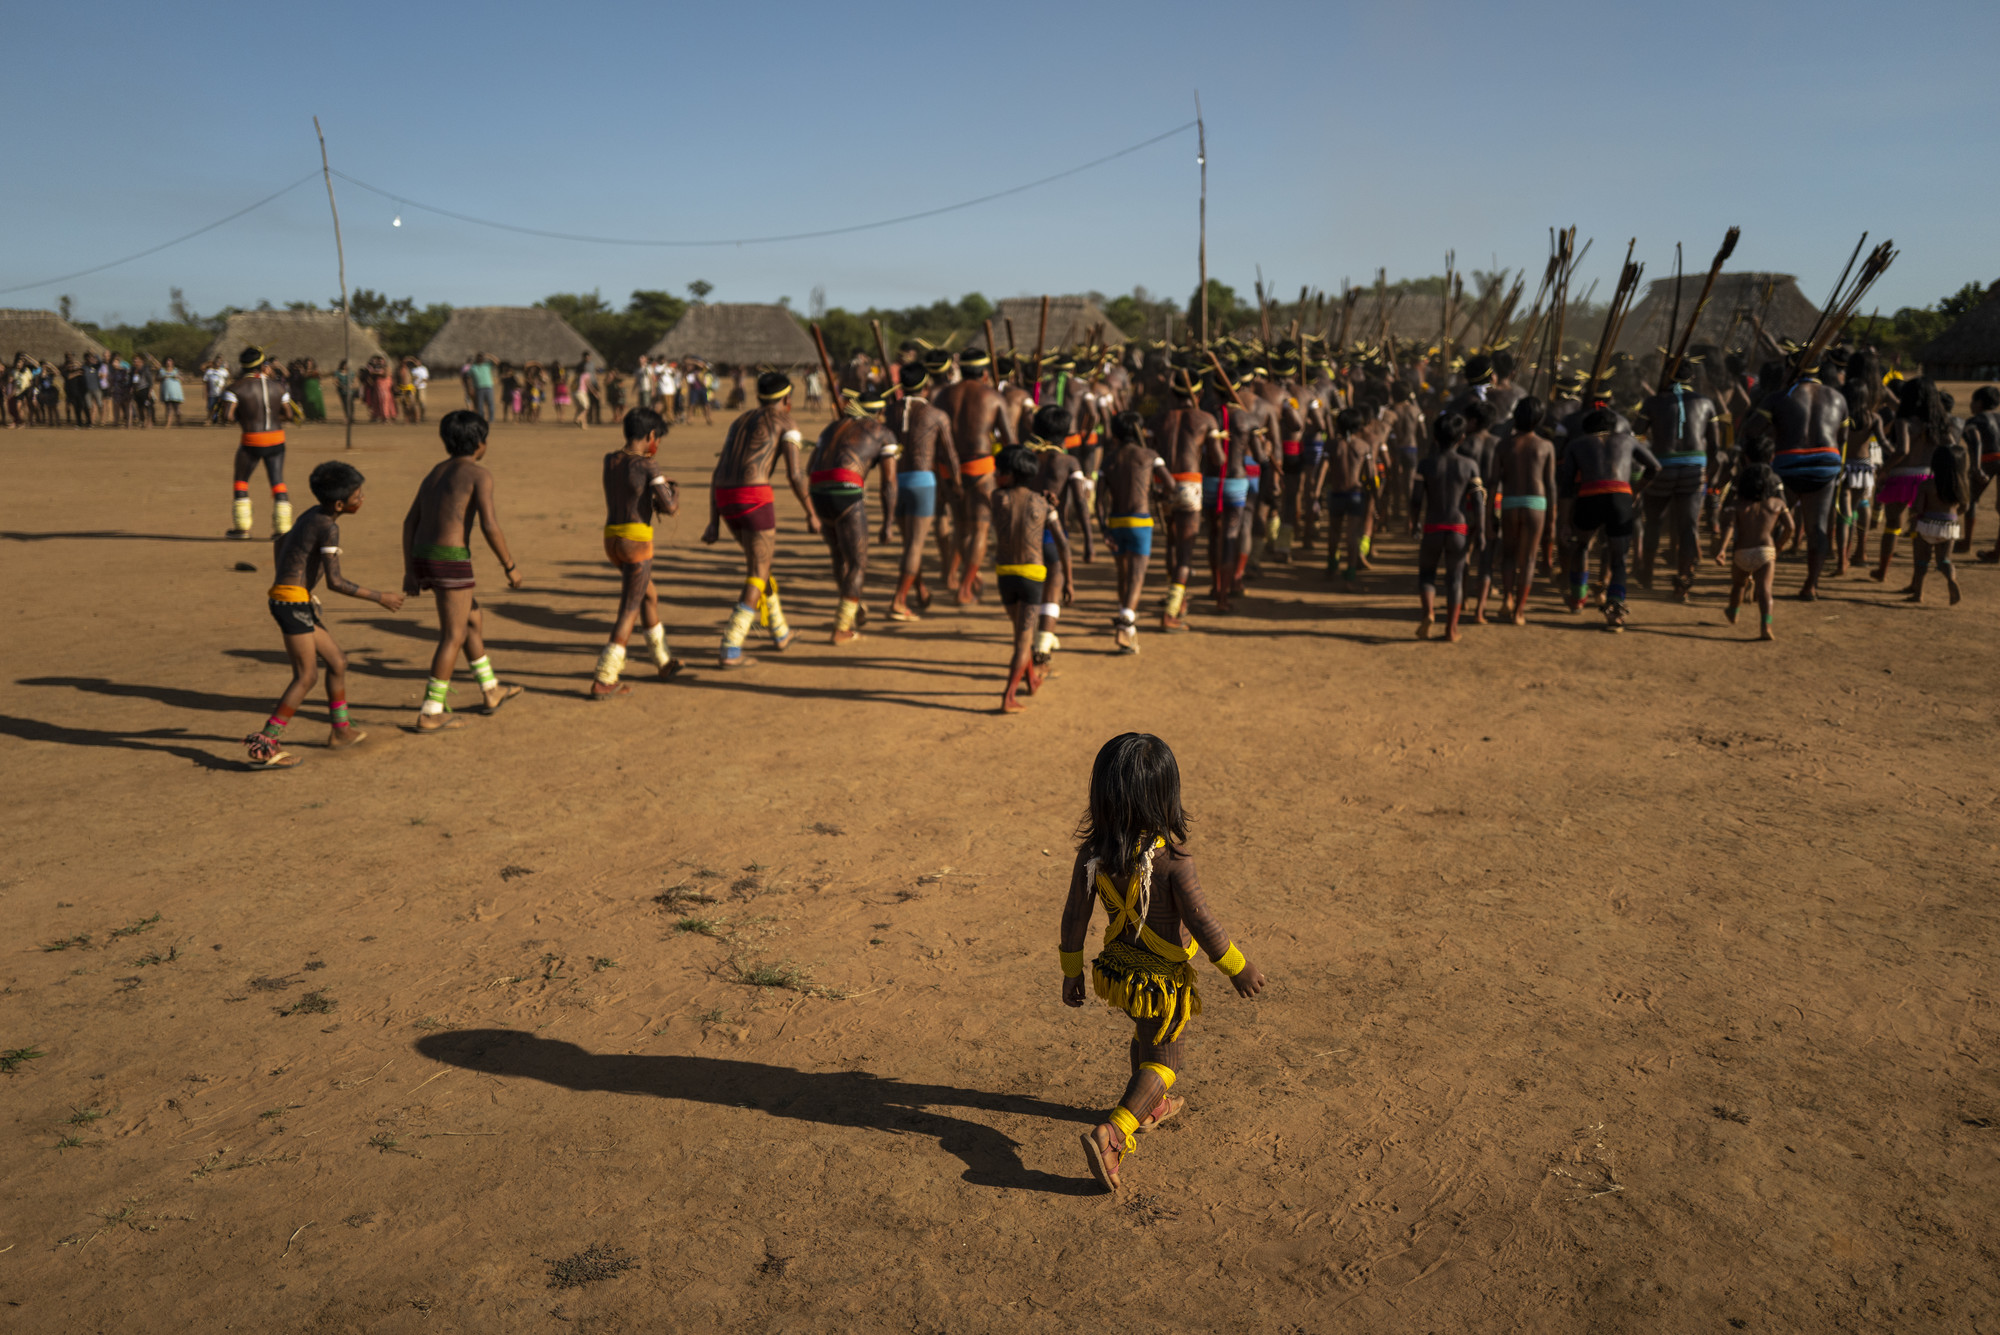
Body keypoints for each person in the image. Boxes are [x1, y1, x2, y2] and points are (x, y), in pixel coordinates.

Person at [1060, 732, 1266, 1193]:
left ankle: (1153, 1106)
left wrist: (1071, 969)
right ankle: (1114, 1133)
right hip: (1162, 980)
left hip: (1119, 972)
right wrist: (1237, 966)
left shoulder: (1093, 855)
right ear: (1164, 797)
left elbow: (1075, 915)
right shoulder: (1173, 861)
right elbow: (1202, 920)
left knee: (1145, 1036)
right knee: (1165, 1056)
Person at [243, 461, 407, 768]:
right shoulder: (329, 527)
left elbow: (281, 544)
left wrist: (299, 586)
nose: (363, 498)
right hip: (291, 604)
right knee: (306, 676)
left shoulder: (312, 514)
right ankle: (265, 744)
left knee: (337, 661)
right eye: (359, 495)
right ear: (341, 504)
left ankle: (340, 730)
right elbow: (336, 582)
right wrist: (380, 598)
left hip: (295, 600)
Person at [401, 411, 526, 731]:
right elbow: (489, 525)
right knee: (453, 634)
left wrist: (410, 569)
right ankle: (430, 711)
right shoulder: (478, 474)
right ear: (481, 443)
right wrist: (509, 565)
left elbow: (409, 522)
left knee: (472, 619)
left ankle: (490, 689)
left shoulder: (435, 472)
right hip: (451, 558)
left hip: (424, 554)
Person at [701, 371, 818, 667]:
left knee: (760, 566)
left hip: (724, 497)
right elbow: (794, 474)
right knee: (758, 571)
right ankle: (731, 645)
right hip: (754, 498)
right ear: (787, 399)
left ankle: (780, 631)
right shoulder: (787, 423)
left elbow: (718, 472)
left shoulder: (738, 422)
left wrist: (714, 520)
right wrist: (811, 512)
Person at [591, 407, 683, 698]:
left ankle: (663, 660)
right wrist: (673, 490)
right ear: (651, 435)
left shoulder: (610, 459)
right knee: (629, 607)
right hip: (636, 542)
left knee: (648, 596)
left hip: (612, 539)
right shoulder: (648, 466)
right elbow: (669, 506)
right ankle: (605, 677)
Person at [806, 386, 900, 644]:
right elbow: (889, 483)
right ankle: (841, 628)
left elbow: (809, 466)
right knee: (858, 563)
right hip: (845, 490)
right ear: (879, 412)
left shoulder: (831, 428)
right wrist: (888, 522)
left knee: (839, 555)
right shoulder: (882, 432)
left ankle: (853, 608)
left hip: (817, 489)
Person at [1559, 407, 1661, 630]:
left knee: (1582, 547)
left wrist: (1565, 522)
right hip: (1620, 498)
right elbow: (1654, 467)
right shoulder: (1627, 440)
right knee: (1619, 560)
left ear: (1587, 428)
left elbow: (1566, 487)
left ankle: (1577, 599)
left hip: (1589, 498)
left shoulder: (1577, 444)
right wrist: (1636, 490)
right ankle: (1615, 614)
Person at [991, 445, 1071, 714]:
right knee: (1023, 641)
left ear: (1010, 474)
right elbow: (1062, 544)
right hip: (1032, 576)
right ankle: (1009, 696)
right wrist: (1068, 580)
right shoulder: (1043, 504)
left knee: (1021, 637)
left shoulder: (996, 497)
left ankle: (1031, 680)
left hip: (1005, 575)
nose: (995, 474)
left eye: (999, 470)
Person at [934, 348, 1017, 602]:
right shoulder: (993, 397)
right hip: (980, 468)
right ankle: (965, 586)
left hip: (949, 469)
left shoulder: (943, 396)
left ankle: (967, 575)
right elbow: (1011, 441)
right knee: (980, 529)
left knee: (961, 527)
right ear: (984, 373)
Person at [1636, 361, 1721, 601]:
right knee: (1688, 527)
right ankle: (1682, 582)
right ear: (1691, 377)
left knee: (1653, 522)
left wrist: (1648, 461)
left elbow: (1637, 436)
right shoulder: (1706, 403)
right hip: (1695, 469)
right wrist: (1709, 474)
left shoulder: (1652, 402)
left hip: (1662, 466)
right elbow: (1714, 446)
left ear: (1666, 377)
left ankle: (1648, 574)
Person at [881, 362, 957, 621]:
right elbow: (950, 455)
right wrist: (957, 485)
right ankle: (899, 601)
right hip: (923, 482)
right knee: (915, 545)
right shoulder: (936, 415)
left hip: (895, 481)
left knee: (910, 544)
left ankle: (920, 590)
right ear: (926, 387)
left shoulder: (890, 411)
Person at [1409, 412, 1485, 641]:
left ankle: (1429, 613)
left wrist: (1415, 523)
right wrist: (1480, 531)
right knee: (1454, 579)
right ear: (1461, 438)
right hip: (1458, 529)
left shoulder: (1426, 464)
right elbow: (1478, 502)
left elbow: (1416, 499)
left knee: (1427, 574)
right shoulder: (1469, 466)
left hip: (1432, 526)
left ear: (1434, 437)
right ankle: (1451, 629)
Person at [1101, 411, 1172, 653]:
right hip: (1140, 521)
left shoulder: (1109, 460)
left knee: (1123, 574)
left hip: (1116, 522)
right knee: (1137, 575)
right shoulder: (1150, 456)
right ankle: (1126, 621)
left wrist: (1103, 528)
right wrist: (1158, 495)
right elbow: (1170, 485)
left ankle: (1128, 627)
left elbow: (1100, 499)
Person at [1155, 371, 1216, 630]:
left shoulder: (1160, 418)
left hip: (1164, 481)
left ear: (1172, 393)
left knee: (1171, 543)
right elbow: (1218, 460)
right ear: (1199, 394)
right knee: (1186, 553)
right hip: (1190, 483)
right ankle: (1171, 613)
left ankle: (1177, 599)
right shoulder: (1205, 418)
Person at [1492, 396, 1556, 624]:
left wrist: (1492, 510)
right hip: (1536, 504)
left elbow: (1494, 481)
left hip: (1509, 502)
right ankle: (1519, 611)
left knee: (1508, 555)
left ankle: (1507, 598)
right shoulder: (1546, 446)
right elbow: (1550, 485)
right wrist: (1552, 518)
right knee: (1528, 559)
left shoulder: (1503, 445)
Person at [219, 346, 294, 538]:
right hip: (277, 438)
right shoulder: (278, 387)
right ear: (263, 365)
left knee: (241, 482)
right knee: (278, 482)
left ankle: (242, 528)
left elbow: (227, 416)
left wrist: (245, 420)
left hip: (252, 439)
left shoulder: (236, 388)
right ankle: (282, 529)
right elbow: (289, 414)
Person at [1724, 462, 1795, 641]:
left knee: (1739, 585)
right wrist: (1779, 545)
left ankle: (1733, 612)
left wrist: (1722, 549)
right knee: (1765, 590)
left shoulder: (1737, 505)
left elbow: (1730, 527)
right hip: (1766, 552)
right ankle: (1766, 626)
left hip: (1741, 553)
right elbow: (1790, 527)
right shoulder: (1777, 503)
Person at [1905, 444, 1967, 606]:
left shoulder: (1926, 485)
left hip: (1926, 524)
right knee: (1944, 560)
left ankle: (1918, 594)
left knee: (1921, 560)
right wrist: (1952, 516)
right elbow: (1964, 506)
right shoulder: (1960, 485)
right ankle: (1952, 579)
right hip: (1950, 526)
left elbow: (1918, 508)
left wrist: (1912, 518)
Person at [1322, 406, 1377, 586]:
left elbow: (1322, 470)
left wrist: (1315, 491)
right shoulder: (1363, 446)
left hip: (1336, 493)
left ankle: (1331, 568)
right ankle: (1350, 573)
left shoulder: (1331, 445)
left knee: (1334, 532)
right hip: (1355, 495)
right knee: (1352, 535)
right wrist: (1374, 497)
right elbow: (1370, 475)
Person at [1957, 384, 1997, 559]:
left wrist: (1976, 467)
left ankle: (1967, 542)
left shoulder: (1973, 421)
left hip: (1987, 459)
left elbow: (1976, 442)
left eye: (1973, 401)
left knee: (1972, 499)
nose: (1971, 405)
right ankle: (1997, 552)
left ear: (1979, 403)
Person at [468, 352, 497, 422]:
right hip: (478, 388)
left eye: (482, 358)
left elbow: (497, 362)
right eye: (479, 358)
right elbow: (469, 378)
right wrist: (470, 388)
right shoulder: (473, 367)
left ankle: (491, 419)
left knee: (490, 403)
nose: (480, 359)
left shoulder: (487, 365)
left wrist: (489, 356)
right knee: (480, 405)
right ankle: (481, 419)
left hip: (488, 387)